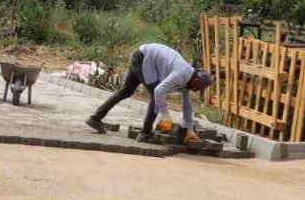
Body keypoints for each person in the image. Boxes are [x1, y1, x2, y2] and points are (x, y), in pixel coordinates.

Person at [85, 42, 214, 140]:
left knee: (126, 91)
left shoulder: (188, 79)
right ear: (197, 80)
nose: (196, 91)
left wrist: (190, 130)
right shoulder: (182, 72)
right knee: (156, 95)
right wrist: (166, 115)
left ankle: (95, 118)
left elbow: (187, 105)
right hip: (143, 58)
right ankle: (145, 133)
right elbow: (159, 91)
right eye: (198, 88)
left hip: (140, 55)